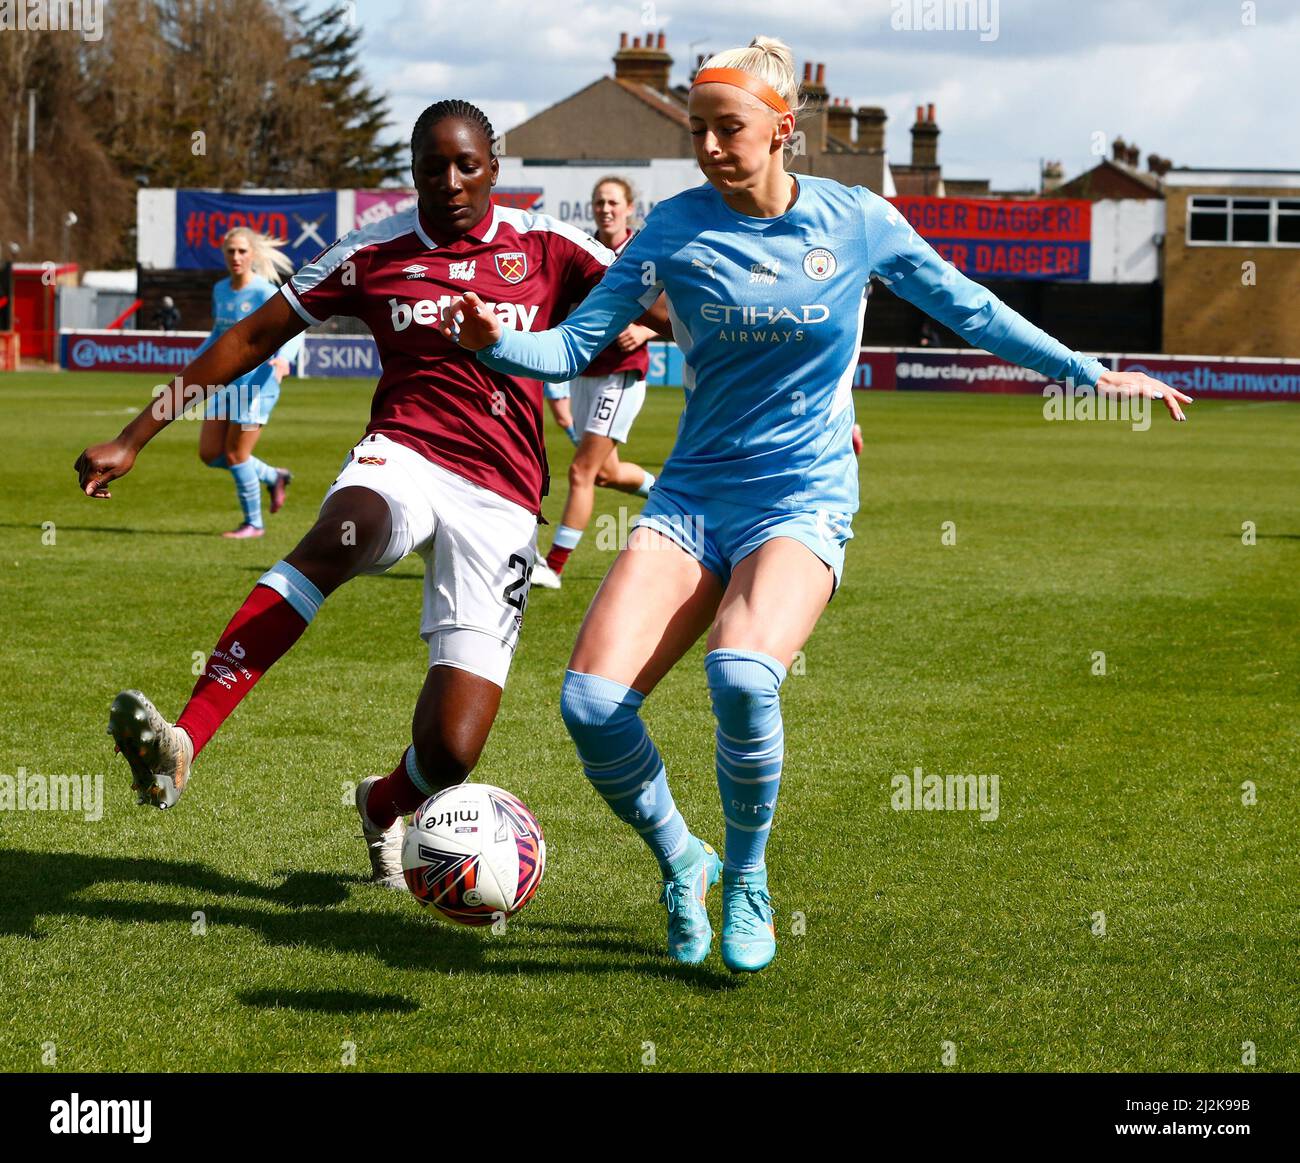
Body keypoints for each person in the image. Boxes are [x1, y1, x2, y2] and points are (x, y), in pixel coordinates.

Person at [439, 37, 1192, 972]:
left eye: (731, 130)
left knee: (743, 676)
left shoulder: (858, 220)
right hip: (693, 497)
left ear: (783, 129)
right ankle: (686, 858)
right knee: (593, 705)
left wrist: (1088, 372)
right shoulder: (669, 232)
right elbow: (575, 343)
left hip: (802, 494)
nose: (713, 148)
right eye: (702, 132)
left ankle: (748, 877)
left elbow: (970, 308)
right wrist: (494, 342)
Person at [74, 99, 626, 888]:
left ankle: (381, 802)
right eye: (432, 166)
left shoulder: (549, 245)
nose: (451, 180)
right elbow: (252, 337)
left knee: (451, 750)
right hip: (404, 454)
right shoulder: (375, 249)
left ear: (494, 167)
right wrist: (135, 434)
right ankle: (184, 740)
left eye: (467, 164)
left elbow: (664, 305)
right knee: (340, 533)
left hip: (503, 496)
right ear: (412, 173)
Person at [531, 176, 662, 589]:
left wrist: (646, 332)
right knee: (605, 472)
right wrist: (557, 388)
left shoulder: (644, 250)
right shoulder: (581, 251)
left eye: (613, 202)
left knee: (581, 472)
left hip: (621, 374)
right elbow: (560, 317)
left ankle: (552, 566)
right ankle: (670, 498)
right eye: (599, 202)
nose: (605, 208)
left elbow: (682, 307)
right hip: (586, 374)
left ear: (629, 209)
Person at [195, 228, 301, 538]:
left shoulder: (265, 292)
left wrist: (284, 360)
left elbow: (296, 328)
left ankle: (253, 524)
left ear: (252, 254)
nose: (236, 257)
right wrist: (194, 363)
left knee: (235, 455)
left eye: (242, 251)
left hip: (258, 383)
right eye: (231, 251)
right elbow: (219, 334)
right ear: (224, 254)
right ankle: (273, 476)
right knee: (209, 453)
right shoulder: (220, 290)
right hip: (226, 382)